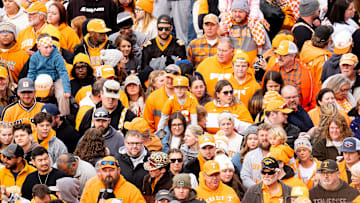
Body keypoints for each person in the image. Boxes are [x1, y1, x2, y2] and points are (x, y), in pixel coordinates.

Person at [266, 40, 318, 111]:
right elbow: (263, 91)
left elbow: (314, 97)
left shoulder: (306, 72)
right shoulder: (272, 69)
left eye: (283, 55)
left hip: (299, 113)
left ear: (293, 56)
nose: (279, 58)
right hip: (277, 113)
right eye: (278, 54)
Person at [27, 33, 71, 115]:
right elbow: (31, 73)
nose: (49, 50)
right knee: (31, 94)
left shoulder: (57, 57)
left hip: (56, 79)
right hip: (40, 79)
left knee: (62, 95)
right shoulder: (34, 57)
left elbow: (63, 72)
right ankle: (33, 114)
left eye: (50, 47)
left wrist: (67, 90)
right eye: (46, 47)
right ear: (39, 47)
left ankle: (64, 115)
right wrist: (29, 86)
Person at [80, 156, 146, 203]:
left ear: (118, 170)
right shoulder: (93, 190)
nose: (108, 174)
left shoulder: (132, 192)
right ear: (101, 172)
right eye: (105, 171)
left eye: (111, 170)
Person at [144, 64, 181, 133]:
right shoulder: (153, 98)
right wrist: (154, 140)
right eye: (168, 78)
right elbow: (147, 124)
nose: (170, 81)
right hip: (160, 138)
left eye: (173, 78)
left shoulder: (188, 97)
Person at [241, 123, 272, 188]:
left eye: (267, 135)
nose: (264, 138)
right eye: (262, 135)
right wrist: (257, 188)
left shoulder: (281, 153)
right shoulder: (250, 156)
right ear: (258, 137)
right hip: (256, 193)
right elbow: (245, 176)